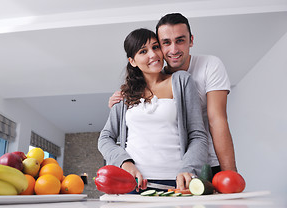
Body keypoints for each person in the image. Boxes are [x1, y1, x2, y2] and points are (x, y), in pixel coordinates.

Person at [109, 13, 237, 174]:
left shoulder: (209, 65)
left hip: (212, 159)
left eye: (180, 40)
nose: (174, 49)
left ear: (191, 40)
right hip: (183, 166)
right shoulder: (153, 78)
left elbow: (216, 120)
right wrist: (119, 100)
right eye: (166, 43)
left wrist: (230, 175)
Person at [98, 28, 208, 192]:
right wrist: (124, 162)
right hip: (132, 184)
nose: (153, 55)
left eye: (155, 47)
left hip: (177, 183)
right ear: (132, 61)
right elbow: (105, 138)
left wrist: (188, 169)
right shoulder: (125, 94)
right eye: (143, 51)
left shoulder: (181, 81)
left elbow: (198, 135)